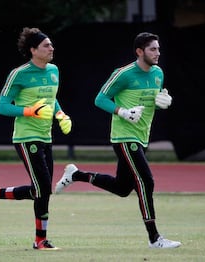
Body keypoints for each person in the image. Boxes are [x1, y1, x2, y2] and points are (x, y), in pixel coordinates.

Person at [55, 32, 181, 249]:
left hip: (142, 137)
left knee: (122, 188)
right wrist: (122, 112)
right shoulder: (123, 74)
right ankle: (154, 238)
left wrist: (163, 101)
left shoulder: (158, 73)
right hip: (124, 136)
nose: (157, 53)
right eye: (153, 49)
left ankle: (76, 174)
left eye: (158, 49)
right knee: (146, 181)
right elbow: (100, 99)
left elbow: (153, 99)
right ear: (139, 51)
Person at [0, 27, 72, 251]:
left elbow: (52, 99)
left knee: (41, 190)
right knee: (42, 188)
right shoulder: (19, 74)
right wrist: (30, 111)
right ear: (33, 50)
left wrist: (60, 114)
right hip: (25, 137)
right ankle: (40, 240)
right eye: (46, 45)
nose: (51, 48)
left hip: (46, 136)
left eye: (51, 45)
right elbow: (2, 107)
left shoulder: (54, 70)